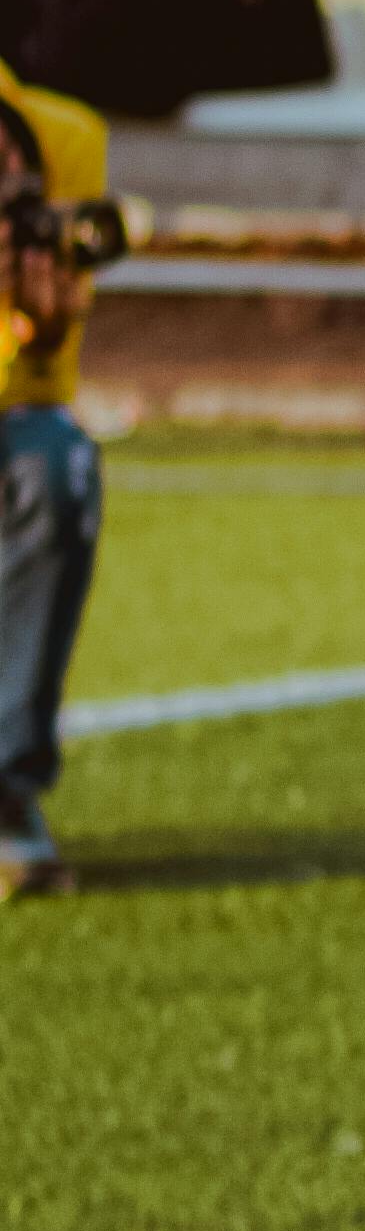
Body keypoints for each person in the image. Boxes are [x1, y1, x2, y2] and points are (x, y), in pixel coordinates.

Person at [0, 56, 117, 900]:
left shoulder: (67, 141)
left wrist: (29, 322)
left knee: (54, 462)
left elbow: (44, 388)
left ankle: (5, 789)